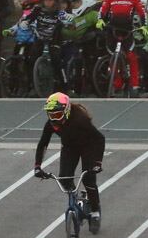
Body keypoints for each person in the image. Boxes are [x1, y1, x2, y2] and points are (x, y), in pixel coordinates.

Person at [33, 92, 105, 230]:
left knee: (88, 178)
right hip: (69, 148)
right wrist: (37, 166)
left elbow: (100, 138)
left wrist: (98, 163)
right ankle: (75, 198)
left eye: (57, 115)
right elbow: (43, 143)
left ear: (66, 111)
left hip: (87, 146)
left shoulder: (80, 119)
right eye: (51, 115)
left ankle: (95, 211)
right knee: (64, 178)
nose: (54, 119)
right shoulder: (51, 124)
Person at [95, 0, 147, 94]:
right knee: (113, 57)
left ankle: (135, 85)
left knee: (132, 57)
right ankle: (116, 84)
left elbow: (141, 12)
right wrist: (100, 19)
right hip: (112, 30)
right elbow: (103, 9)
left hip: (128, 31)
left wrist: (143, 25)